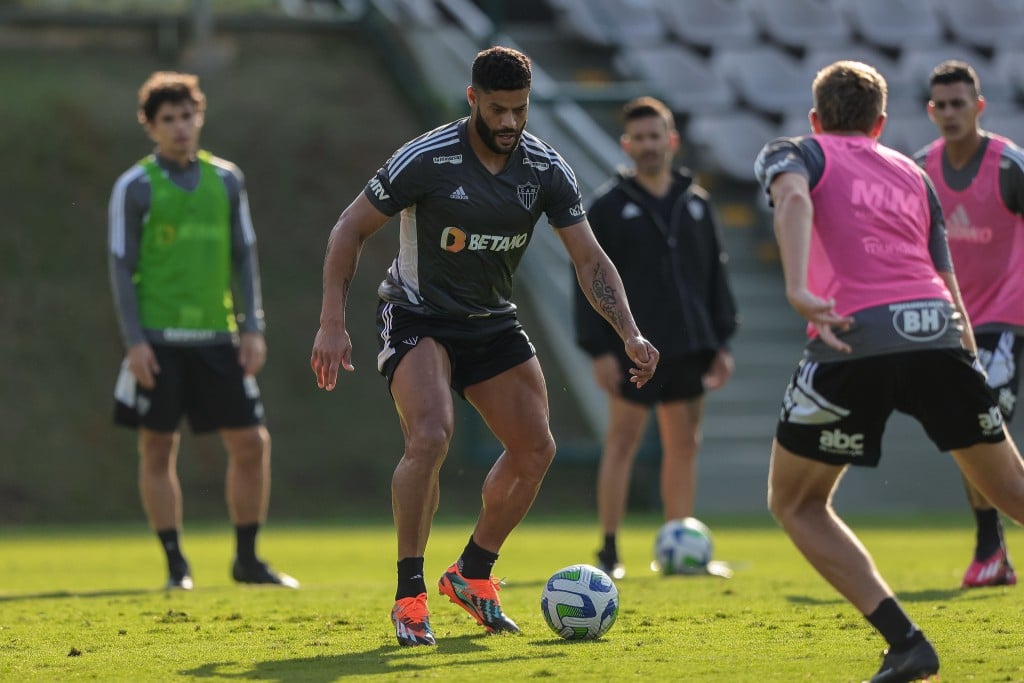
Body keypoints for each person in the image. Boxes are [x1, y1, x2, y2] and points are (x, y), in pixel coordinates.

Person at [309, 46, 659, 647]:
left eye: (519, 110)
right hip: (416, 313)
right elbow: (350, 228)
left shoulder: (545, 169)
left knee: (536, 449)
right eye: (497, 109)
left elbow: (589, 258)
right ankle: (410, 597)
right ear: (472, 99)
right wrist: (332, 322)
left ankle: (472, 573)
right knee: (431, 434)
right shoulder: (428, 158)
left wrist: (629, 330)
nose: (509, 123)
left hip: (491, 321)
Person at [755, 60, 1024, 682]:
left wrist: (798, 286)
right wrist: (967, 361)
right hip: (938, 331)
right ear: (879, 124)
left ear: (818, 120)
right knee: (1013, 491)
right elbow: (948, 277)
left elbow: (792, 197)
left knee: (796, 503)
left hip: (855, 337)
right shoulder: (913, 171)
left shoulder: (797, 151)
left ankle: (906, 643)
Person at [108, 71, 297, 591]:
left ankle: (247, 560)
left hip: (219, 338)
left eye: (187, 116)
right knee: (157, 449)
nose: (180, 127)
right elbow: (120, 265)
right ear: (151, 127)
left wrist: (252, 327)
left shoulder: (228, 180)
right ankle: (176, 565)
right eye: (168, 119)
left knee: (252, 444)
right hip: (158, 341)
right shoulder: (136, 186)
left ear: (200, 116)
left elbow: (245, 255)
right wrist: (135, 342)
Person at [573, 96, 738, 579]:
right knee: (622, 442)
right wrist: (599, 347)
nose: (648, 146)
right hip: (632, 349)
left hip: (689, 345)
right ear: (626, 144)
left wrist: (721, 342)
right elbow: (586, 280)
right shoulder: (607, 206)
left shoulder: (696, 204)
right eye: (638, 138)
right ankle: (609, 550)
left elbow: (713, 279)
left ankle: (678, 548)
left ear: (672, 140)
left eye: (655, 136)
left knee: (684, 444)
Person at [913, 60, 1024, 589]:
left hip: (1008, 318)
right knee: (971, 428)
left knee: (982, 425)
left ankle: (989, 546)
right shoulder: (919, 170)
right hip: (949, 324)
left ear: (979, 107)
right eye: (941, 104)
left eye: (960, 103)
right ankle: (992, 549)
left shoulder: (1009, 167)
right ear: (930, 110)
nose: (950, 113)